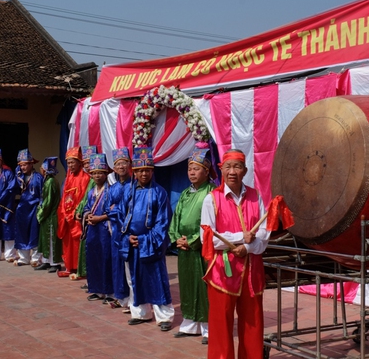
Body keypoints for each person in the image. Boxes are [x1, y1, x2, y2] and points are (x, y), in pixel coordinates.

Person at [200, 148, 270, 358]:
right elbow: (208, 237)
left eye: (237, 167)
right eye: (228, 167)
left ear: (245, 170)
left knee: (253, 324)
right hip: (223, 272)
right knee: (221, 326)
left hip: (251, 272)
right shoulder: (211, 199)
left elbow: (264, 233)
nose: (232, 171)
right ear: (221, 170)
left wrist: (247, 247)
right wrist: (241, 236)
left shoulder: (255, 196)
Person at [114, 146, 174, 331]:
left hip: (150, 243)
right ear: (135, 171)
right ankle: (141, 313)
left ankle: (164, 317)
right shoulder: (128, 191)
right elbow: (119, 216)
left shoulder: (159, 192)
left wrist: (146, 239)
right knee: (134, 279)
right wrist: (127, 237)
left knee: (156, 278)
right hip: (131, 243)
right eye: (139, 170)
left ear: (152, 170)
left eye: (147, 170)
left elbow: (163, 222)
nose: (143, 174)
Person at [168, 145, 216, 343]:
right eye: (189, 169)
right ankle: (189, 324)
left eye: (196, 169)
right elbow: (176, 218)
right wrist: (176, 237)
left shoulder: (213, 192)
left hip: (202, 248)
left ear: (206, 170)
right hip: (184, 248)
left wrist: (194, 240)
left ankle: (208, 328)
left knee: (204, 287)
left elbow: (213, 223)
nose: (192, 173)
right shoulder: (185, 194)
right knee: (187, 285)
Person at [82, 153, 115, 303]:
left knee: (106, 258)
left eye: (100, 173)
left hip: (105, 230)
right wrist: (88, 215)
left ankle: (109, 292)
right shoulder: (90, 192)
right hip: (93, 230)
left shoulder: (111, 190)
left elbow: (116, 211)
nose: (97, 176)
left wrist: (100, 218)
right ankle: (97, 289)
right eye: (94, 173)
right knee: (93, 257)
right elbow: (87, 207)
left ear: (106, 173)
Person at [57, 146, 90, 277]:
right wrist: (64, 212)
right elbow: (65, 196)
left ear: (79, 162)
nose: (70, 165)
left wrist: (74, 213)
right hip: (66, 215)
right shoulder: (68, 177)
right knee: (67, 242)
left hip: (76, 216)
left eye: (73, 162)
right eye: (68, 162)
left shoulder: (85, 177)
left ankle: (79, 268)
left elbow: (83, 196)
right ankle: (69, 267)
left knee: (77, 243)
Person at [106, 147, 133, 310]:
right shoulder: (113, 187)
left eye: (124, 163)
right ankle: (121, 297)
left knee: (129, 266)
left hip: (129, 231)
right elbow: (108, 208)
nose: (121, 167)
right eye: (118, 164)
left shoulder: (134, 186)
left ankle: (133, 299)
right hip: (116, 231)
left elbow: (132, 208)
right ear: (114, 168)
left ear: (129, 165)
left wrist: (117, 209)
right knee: (117, 265)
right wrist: (116, 210)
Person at [13, 149, 44, 267]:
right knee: (22, 233)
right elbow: (12, 189)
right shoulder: (19, 177)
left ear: (31, 164)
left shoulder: (38, 177)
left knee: (34, 232)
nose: (23, 167)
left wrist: (41, 208)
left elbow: (42, 194)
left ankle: (36, 258)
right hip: (22, 208)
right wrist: (17, 176)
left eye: (25, 164)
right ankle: (23, 257)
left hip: (34, 208)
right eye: (21, 165)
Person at [72, 145, 97, 282]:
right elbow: (85, 198)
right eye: (85, 163)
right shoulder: (90, 179)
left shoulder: (95, 179)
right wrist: (78, 210)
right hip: (86, 215)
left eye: (89, 163)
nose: (87, 165)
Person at [34, 157, 63, 272]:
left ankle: (55, 263)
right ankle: (46, 261)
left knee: (51, 240)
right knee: (45, 238)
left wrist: (40, 213)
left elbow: (48, 201)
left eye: (42, 167)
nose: (40, 169)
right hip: (47, 216)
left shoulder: (50, 182)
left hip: (51, 216)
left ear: (45, 170)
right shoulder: (47, 180)